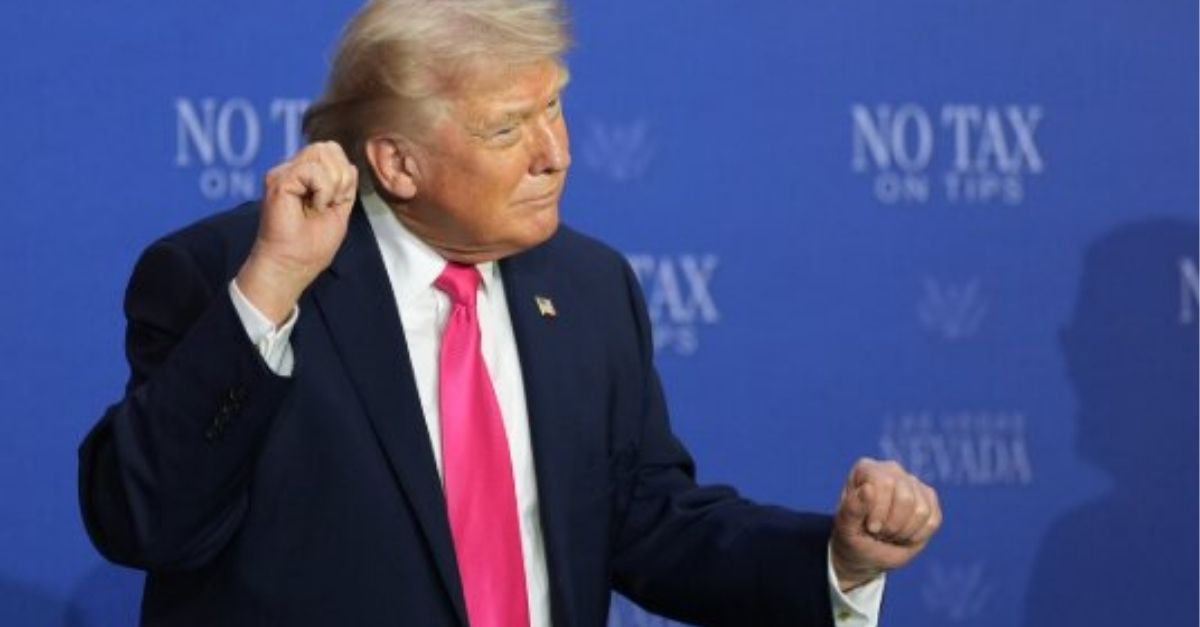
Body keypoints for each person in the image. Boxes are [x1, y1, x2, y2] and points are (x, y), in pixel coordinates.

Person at [78, 1, 941, 626]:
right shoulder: (235, 273)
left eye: (554, 106)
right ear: (398, 163)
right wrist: (271, 286)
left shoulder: (590, 287)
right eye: (506, 129)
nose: (555, 154)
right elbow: (143, 521)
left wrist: (836, 559)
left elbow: (646, 520)